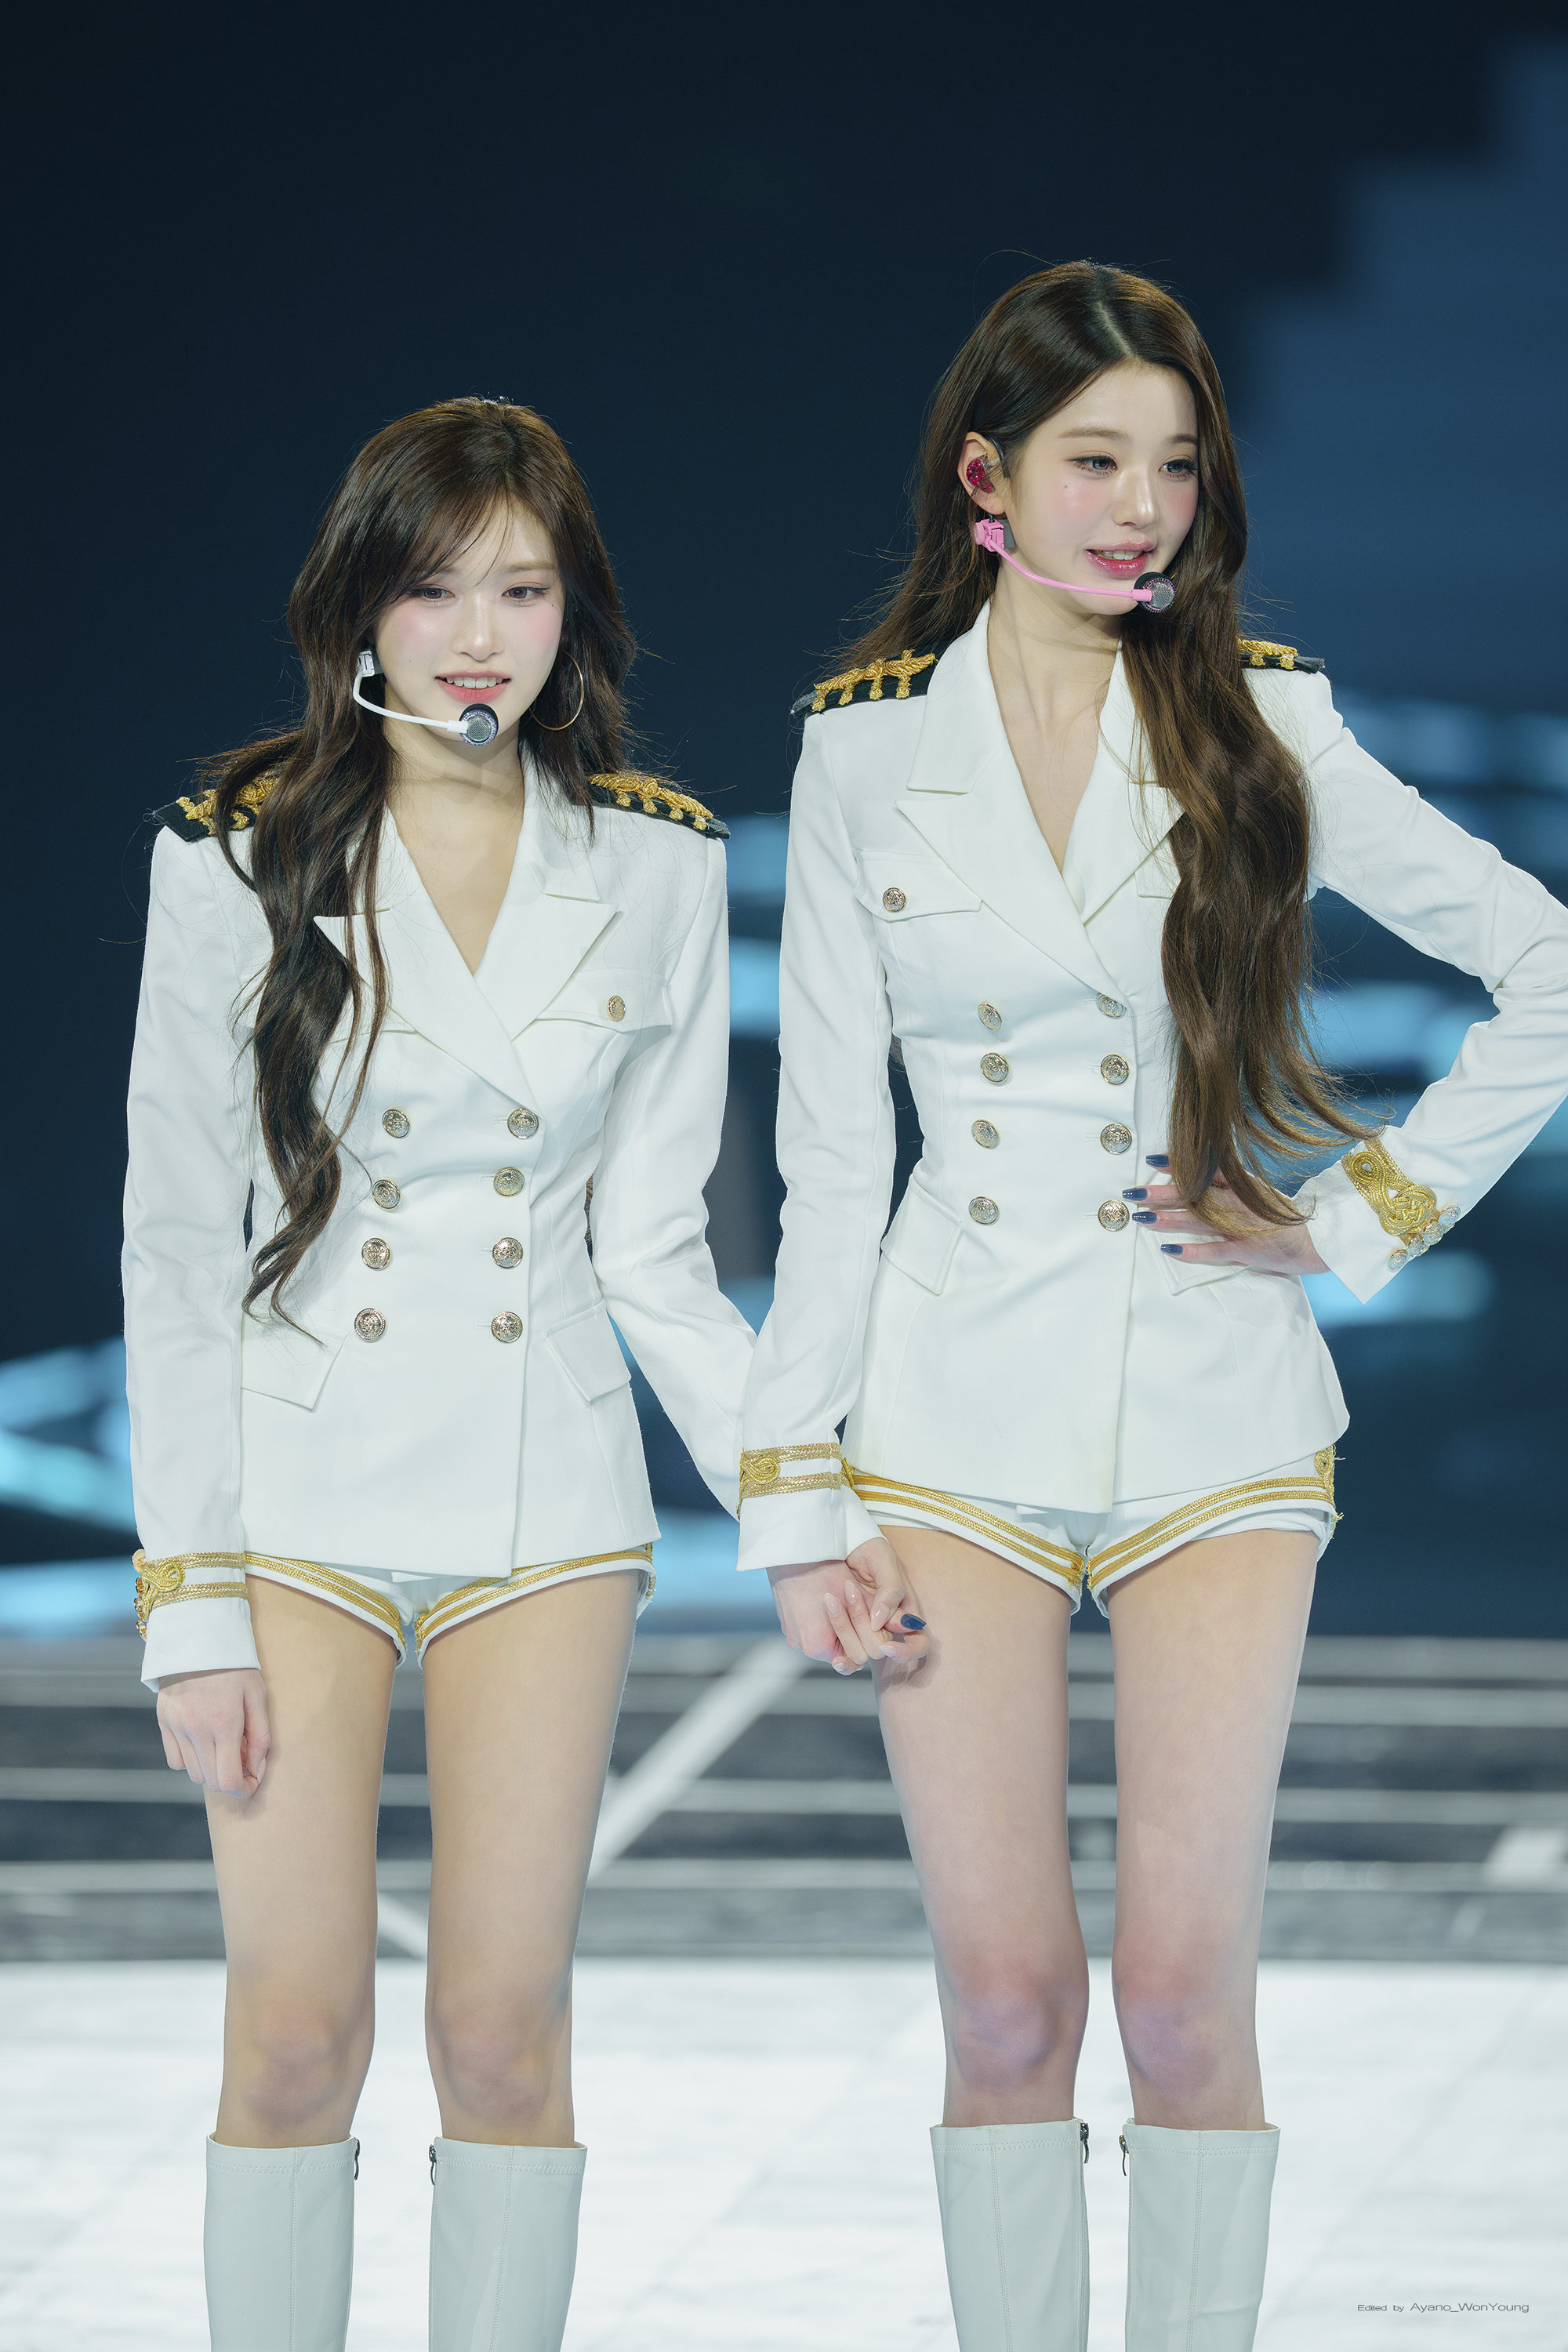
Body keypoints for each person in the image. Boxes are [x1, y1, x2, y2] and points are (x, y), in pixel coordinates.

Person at [737, 263, 1568, 2348]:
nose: (1142, 508)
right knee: (1009, 2007)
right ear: (987, 478)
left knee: (1187, 2007)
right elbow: (830, 1161)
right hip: (946, 1417)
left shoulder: (1262, 718)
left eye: (1177, 466)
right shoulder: (861, 755)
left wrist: (1360, 1215)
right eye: (1096, 460)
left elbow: (1547, 964)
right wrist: (791, 1490)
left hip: (1218, 1414)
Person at [125, 397, 753, 2352]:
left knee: (498, 2034)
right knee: (294, 2035)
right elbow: (176, 1244)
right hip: (294, 1497)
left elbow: (658, 1253)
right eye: (434, 589)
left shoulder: (657, 866)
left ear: (578, 613)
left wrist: (802, 1492)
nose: (481, 637)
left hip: (544, 1493)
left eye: (524, 590)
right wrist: (187, 1603)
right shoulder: (234, 852)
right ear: (358, 611)